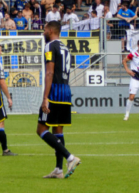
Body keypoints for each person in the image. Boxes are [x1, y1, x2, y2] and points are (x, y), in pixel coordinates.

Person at [37, 21, 81, 179]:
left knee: (41, 130)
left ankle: (70, 158)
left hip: (54, 91)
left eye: (44, 29)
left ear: (49, 30)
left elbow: (49, 73)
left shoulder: (50, 46)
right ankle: (58, 169)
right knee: (58, 130)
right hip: (66, 91)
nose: (43, 31)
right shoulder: (65, 48)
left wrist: (45, 97)